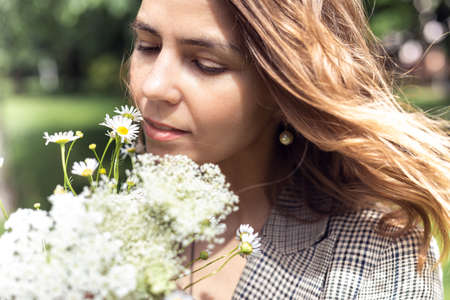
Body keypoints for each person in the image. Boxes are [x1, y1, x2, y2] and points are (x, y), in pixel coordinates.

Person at [128, 0, 450, 299]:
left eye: (206, 64)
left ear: (283, 85)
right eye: (147, 46)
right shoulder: (114, 224)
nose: (152, 87)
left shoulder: (378, 259)